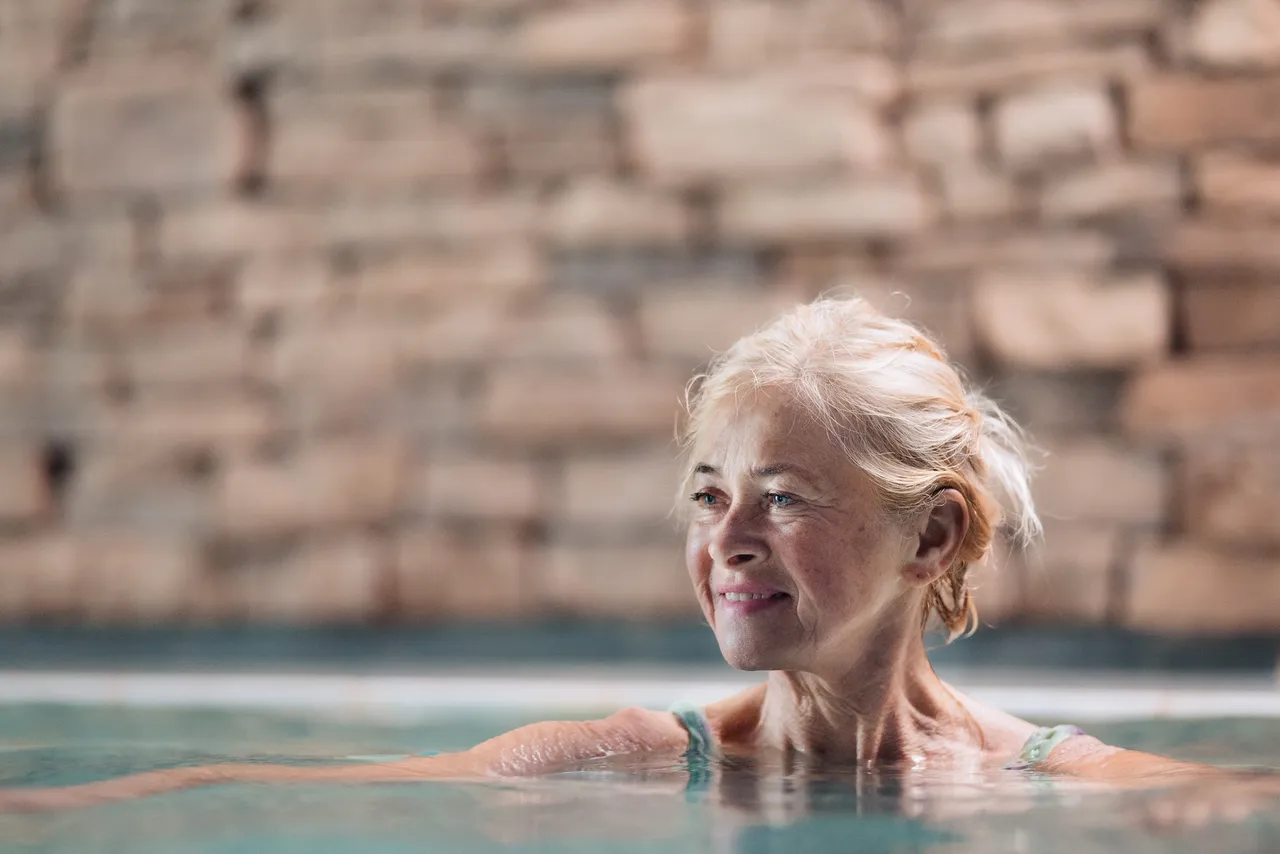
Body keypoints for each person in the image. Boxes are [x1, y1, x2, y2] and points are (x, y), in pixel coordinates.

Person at [0, 297, 1272, 819]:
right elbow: (302, 784)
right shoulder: (623, 757)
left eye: (779, 497)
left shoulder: (1062, 779)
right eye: (708, 494)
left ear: (929, 533)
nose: (725, 540)